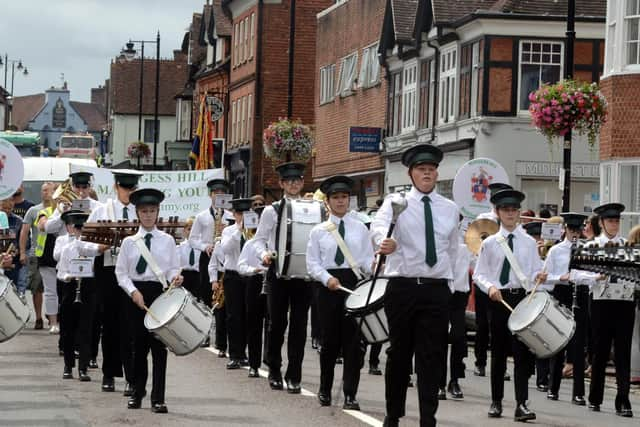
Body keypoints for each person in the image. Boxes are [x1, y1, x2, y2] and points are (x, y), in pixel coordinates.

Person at [371, 144, 459, 427]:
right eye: (422, 170)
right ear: (410, 174)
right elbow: (379, 229)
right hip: (403, 287)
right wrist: (386, 243)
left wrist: (453, 289)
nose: (427, 174)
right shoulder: (396, 203)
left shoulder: (449, 209)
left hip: (436, 289)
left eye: (431, 170)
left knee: (431, 357)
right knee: (399, 353)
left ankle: (427, 418)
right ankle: (393, 414)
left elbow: (454, 251)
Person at [473, 189, 547, 422]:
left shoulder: (527, 242)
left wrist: (540, 276)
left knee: (522, 354)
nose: (510, 213)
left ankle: (521, 404)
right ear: (497, 212)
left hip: (522, 299)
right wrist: (490, 288)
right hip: (499, 300)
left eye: (514, 210)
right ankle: (496, 402)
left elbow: (535, 269)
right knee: (498, 353)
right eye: (506, 210)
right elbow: (479, 274)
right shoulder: (491, 243)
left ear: (519, 213)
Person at [306, 175, 372, 410]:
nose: (341, 201)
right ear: (328, 201)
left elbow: (366, 259)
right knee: (330, 342)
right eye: (336, 197)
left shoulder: (361, 229)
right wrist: (327, 278)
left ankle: (350, 394)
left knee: (353, 344)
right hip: (328, 288)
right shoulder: (318, 231)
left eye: (344, 197)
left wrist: (374, 267)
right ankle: (324, 389)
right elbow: (312, 264)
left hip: (353, 287)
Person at [115, 188, 183, 413]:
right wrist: (133, 292)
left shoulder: (167, 241)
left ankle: (158, 398)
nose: (148, 215)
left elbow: (174, 267)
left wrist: (176, 277)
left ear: (158, 212)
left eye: (152, 211)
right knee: (138, 347)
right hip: (136, 295)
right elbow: (121, 272)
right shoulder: (129, 242)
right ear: (137, 213)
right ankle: (136, 392)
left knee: (159, 349)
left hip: (160, 294)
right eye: (144, 211)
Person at [253, 162, 312, 393]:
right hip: (278, 272)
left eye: (297, 180)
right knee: (277, 324)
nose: (293, 184)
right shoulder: (272, 210)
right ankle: (275, 369)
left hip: (303, 275)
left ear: (302, 182)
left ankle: (294, 374)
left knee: (299, 326)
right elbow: (258, 240)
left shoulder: (312, 208)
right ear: (281, 184)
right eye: (289, 181)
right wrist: (264, 254)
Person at [87, 170, 143, 395]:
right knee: (109, 325)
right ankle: (109, 374)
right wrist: (98, 248)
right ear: (115, 187)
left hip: (133, 273)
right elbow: (82, 243)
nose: (128, 193)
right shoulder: (102, 210)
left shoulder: (141, 212)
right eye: (124, 188)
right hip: (108, 271)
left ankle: (132, 377)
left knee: (131, 327)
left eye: (131, 189)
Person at [588, 203, 634, 417]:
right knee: (600, 351)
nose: (614, 225)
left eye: (616, 221)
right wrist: (594, 277)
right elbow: (576, 274)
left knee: (623, 353)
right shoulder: (592, 246)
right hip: (601, 303)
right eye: (610, 221)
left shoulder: (628, 246)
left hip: (624, 303)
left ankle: (623, 400)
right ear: (602, 223)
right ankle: (595, 397)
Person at [543, 212, 593, 405]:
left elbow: (589, 274)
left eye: (577, 230)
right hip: (562, 293)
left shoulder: (587, 250)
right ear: (565, 229)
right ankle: (552, 387)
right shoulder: (556, 251)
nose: (575, 234)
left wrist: (586, 278)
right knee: (558, 341)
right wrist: (560, 277)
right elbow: (546, 276)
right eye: (572, 230)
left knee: (579, 344)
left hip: (579, 294)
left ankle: (578, 392)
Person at [54, 210, 107, 381]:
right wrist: (69, 275)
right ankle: (68, 366)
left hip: (88, 288)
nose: (80, 232)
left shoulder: (92, 247)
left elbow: (100, 249)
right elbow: (61, 273)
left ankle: (83, 367)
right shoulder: (67, 248)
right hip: (70, 288)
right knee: (68, 329)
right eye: (77, 228)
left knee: (86, 329)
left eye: (83, 229)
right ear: (72, 230)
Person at [474, 182, 512, 378]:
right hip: (485, 280)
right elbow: (474, 246)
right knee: (482, 324)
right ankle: (480, 361)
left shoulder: (512, 223)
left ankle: (501, 366)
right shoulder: (483, 220)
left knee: (502, 327)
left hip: (503, 281)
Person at [189, 178, 231, 348]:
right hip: (207, 257)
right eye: (215, 193)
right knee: (206, 295)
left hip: (224, 258)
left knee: (223, 297)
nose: (218, 195)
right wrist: (204, 246)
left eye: (222, 193)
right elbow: (192, 239)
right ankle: (205, 333)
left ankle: (222, 339)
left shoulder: (230, 216)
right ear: (210, 195)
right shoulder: (202, 216)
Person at [215, 198, 254, 369]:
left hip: (251, 275)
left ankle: (246, 353)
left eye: (246, 213)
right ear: (234, 214)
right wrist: (239, 230)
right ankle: (235, 353)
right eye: (239, 213)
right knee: (233, 316)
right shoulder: (229, 231)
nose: (242, 217)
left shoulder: (255, 231)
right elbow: (225, 250)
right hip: (233, 275)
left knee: (249, 316)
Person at [438, 217, 472, 400]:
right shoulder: (439, 244)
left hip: (459, 295)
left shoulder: (467, 245)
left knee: (459, 339)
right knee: (440, 339)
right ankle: (439, 383)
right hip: (440, 293)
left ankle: (455, 381)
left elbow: (480, 266)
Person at [237, 196, 268, 378]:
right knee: (254, 325)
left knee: (273, 326)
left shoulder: (273, 243)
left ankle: (271, 360)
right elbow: (240, 266)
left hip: (271, 283)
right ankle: (254, 364)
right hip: (254, 282)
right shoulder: (250, 243)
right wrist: (253, 269)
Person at [19, 183, 54, 329]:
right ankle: (39, 317)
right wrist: (22, 252)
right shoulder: (33, 210)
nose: (44, 193)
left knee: (54, 288)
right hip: (37, 254)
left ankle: (54, 315)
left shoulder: (58, 211)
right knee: (36, 287)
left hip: (54, 254)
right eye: (43, 190)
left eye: (47, 190)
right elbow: (24, 231)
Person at [0, 197, 23, 292]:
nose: (8, 204)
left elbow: (23, 242)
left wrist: (18, 251)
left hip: (11, 263)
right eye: (5, 201)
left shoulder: (18, 220)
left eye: (11, 201)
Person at [177, 217, 200, 298]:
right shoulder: (179, 247)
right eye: (189, 229)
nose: (192, 232)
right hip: (184, 276)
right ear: (184, 231)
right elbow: (177, 265)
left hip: (199, 277)